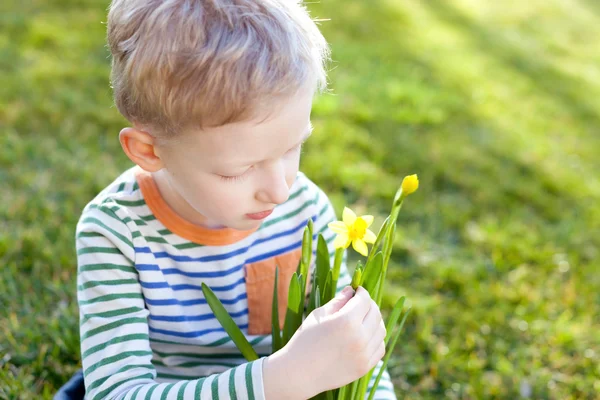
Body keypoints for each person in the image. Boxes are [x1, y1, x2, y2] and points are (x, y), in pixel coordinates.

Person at [56, 0, 398, 398]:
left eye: (292, 149)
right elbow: (115, 393)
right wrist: (284, 379)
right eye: (237, 170)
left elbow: (352, 345)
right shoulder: (115, 232)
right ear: (150, 151)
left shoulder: (304, 209)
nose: (280, 190)